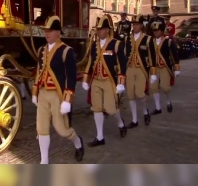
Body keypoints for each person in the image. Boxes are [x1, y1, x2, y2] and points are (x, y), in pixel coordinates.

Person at [31, 15, 84, 163]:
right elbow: (39, 71)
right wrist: (35, 92)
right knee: (41, 128)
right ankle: (44, 161)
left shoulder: (67, 51)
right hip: (43, 93)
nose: (47, 33)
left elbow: (71, 77)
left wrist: (67, 100)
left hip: (57, 95)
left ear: (58, 33)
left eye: (51, 30)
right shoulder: (41, 50)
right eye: (46, 30)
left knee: (62, 130)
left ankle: (78, 143)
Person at [82, 14, 128, 147]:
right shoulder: (94, 45)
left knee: (111, 108)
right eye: (98, 29)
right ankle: (100, 137)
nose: (99, 31)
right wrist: (86, 78)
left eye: (101, 29)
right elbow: (90, 62)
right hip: (96, 80)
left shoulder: (116, 44)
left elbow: (122, 64)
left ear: (107, 30)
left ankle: (121, 124)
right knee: (96, 108)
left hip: (109, 80)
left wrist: (121, 82)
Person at [125, 15, 155, 128]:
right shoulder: (128, 38)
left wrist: (153, 72)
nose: (134, 26)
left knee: (139, 93)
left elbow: (152, 56)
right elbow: (124, 55)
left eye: (137, 24)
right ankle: (134, 120)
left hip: (142, 68)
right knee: (130, 95)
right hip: (130, 68)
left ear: (142, 25)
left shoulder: (148, 39)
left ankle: (145, 111)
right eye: (133, 24)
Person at [149, 21, 180, 114]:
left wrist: (177, 68)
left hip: (165, 67)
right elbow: (150, 55)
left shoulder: (168, 41)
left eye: (157, 30)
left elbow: (174, 54)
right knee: (153, 87)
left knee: (165, 87)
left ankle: (168, 101)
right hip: (155, 67)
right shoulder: (151, 41)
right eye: (154, 31)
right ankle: (158, 108)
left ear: (162, 31)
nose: (155, 32)